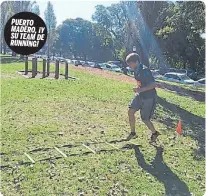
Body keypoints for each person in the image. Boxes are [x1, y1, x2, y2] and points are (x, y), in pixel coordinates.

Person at [125, 53, 160, 143]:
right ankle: (133, 133)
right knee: (130, 111)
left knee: (145, 119)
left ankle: (154, 133)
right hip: (140, 95)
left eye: (130, 64)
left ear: (136, 62)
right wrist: (138, 89)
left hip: (149, 97)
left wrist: (140, 89)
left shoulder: (145, 70)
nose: (129, 66)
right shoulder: (136, 70)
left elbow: (153, 85)